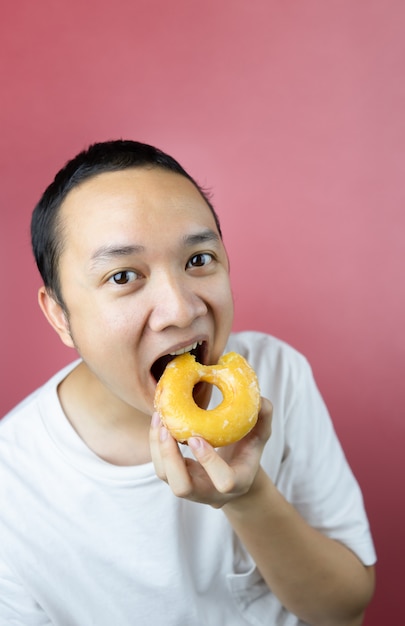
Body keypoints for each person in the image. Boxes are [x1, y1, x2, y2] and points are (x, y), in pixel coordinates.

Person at [0, 140, 376, 626]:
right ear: (60, 316)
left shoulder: (277, 374)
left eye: (198, 260)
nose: (181, 310)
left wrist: (247, 498)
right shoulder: (13, 488)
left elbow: (344, 611)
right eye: (123, 276)